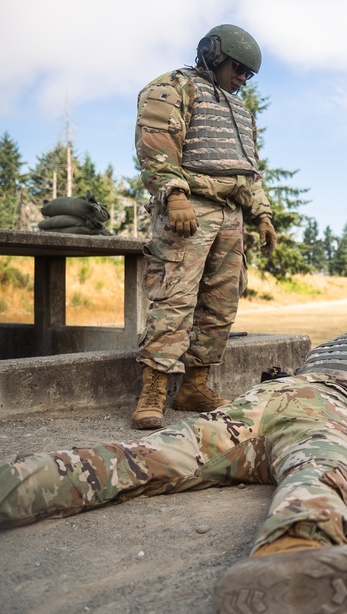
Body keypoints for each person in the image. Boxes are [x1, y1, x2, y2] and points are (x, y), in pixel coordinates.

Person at [0, 278, 347, 614]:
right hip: (336, 410)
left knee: (128, 461)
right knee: (323, 471)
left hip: (263, 403)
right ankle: (291, 554)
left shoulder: (343, 339)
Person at [132, 23, 277, 430]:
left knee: (220, 305)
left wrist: (261, 214)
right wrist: (174, 195)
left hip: (231, 215)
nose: (242, 78)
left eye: (249, 73)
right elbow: (156, 143)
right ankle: (153, 390)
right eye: (238, 68)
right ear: (213, 53)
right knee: (174, 298)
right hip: (190, 209)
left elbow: (248, 170)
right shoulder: (174, 87)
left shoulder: (238, 111)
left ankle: (195, 386)